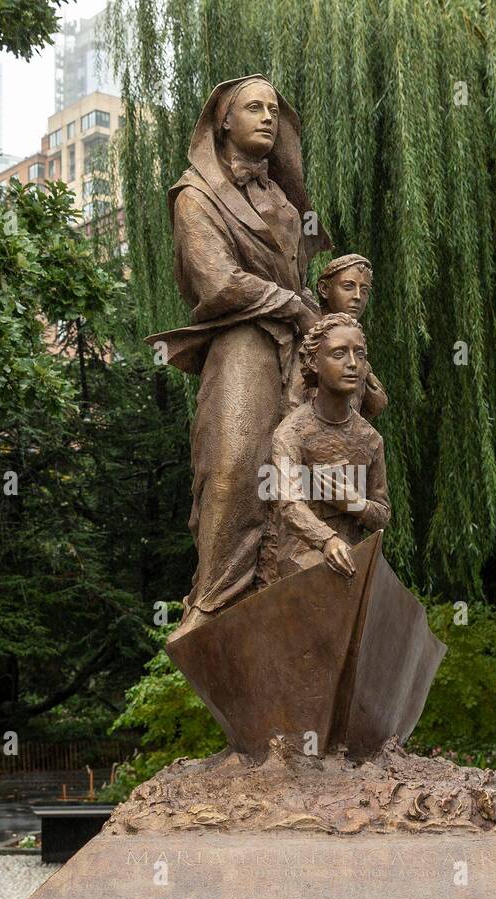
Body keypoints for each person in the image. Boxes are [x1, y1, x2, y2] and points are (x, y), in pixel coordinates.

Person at [147, 75, 332, 640]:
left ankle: (300, 587)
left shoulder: (285, 200)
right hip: (243, 344)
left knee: (307, 473)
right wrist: (292, 308)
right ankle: (213, 604)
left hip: (298, 352)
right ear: (223, 121)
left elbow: (304, 278)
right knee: (233, 467)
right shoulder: (195, 196)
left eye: (274, 110)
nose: (268, 118)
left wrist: (321, 313)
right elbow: (218, 283)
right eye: (254, 108)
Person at [270, 314, 390, 580]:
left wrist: (354, 504)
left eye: (359, 354)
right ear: (314, 362)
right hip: (303, 555)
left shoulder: (370, 438)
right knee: (329, 583)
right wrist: (327, 540)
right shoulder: (291, 433)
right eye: (339, 354)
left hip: (355, 555)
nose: (352, 364)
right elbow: (289, 504)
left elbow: (382, 515)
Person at [310, 253, 387, 420]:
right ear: (324, 289)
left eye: (364, 290)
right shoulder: (313, 341)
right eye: (348, 286)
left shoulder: (355, 339)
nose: (357, 296)